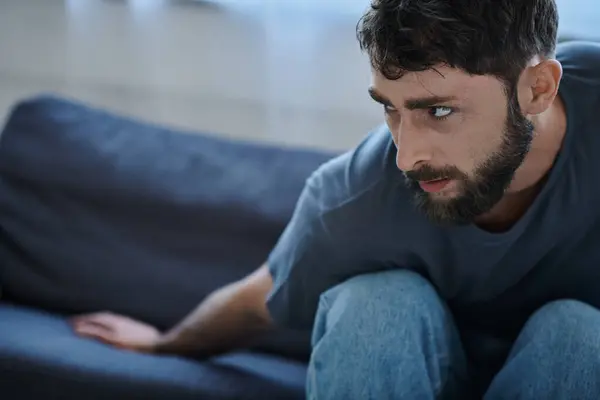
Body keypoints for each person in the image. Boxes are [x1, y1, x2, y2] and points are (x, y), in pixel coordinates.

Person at [71, 0, 600, 398]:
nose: (408, 157)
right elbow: (262, 298)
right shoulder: (360, 195)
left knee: (578, 333)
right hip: (415, 375)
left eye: (438, 111)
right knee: (374, 304)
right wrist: (162, 345)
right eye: (391, 110)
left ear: (537, 89)